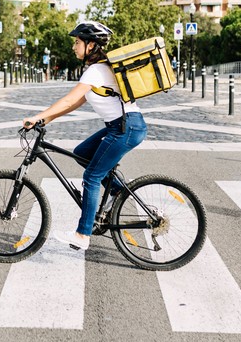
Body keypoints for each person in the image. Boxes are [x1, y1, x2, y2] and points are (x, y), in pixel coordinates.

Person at [22, 21, 147, 251]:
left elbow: (69, 100)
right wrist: (45, 120)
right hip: (122, 125)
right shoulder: (99, 68)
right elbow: (75, 104)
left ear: (91, 45)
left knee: (91, 177)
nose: (74, 47)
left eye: (77, 42)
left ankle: (82, 234)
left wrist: (37, 115)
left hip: (125, 127)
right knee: (82, 153)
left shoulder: (96, 70)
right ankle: (118, 190)